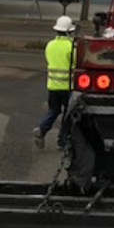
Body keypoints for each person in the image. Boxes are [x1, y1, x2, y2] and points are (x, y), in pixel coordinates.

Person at [33, 15, 76, 150]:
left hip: (53, 86)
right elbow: (76, 64)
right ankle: (62, 141)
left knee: (53, 110)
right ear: (69, 31)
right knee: (68, 115)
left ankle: (42, 129)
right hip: (68, 87)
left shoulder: (50, 45)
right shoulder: (71, 47)